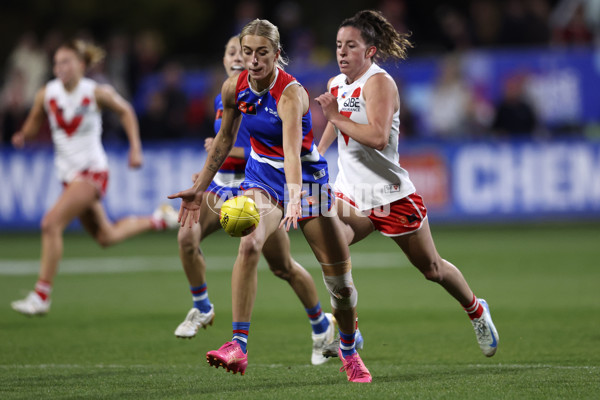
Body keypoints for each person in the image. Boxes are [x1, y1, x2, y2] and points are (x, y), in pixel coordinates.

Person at [169, 19, 371, 382]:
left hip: (307, 184)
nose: (254, 60)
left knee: (341, 287)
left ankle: (347, 347)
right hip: (263, 181)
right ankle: (238, 345)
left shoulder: (291, 93)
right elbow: (223, 140)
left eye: (262, 53)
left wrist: (295, 198)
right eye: (248, 52)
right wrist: (200, 187)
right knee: (249, 245)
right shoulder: (235, 88)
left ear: (277, 54)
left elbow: (292, 152)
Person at [315, 10, 499, 358]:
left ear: (370, 51)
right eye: (339, 45)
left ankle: (476, 309)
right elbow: (334, 123)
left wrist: (336, 117)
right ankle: (349, 334)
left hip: (390, 196)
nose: (341, 52)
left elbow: (379, 137)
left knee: (432, 269)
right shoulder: (335, 84)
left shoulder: (380, 83)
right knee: (331, 251)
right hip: (351, 193)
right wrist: (316, 150)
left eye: (351, 46)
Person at [10, 39, 179, 316]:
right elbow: (32, 124)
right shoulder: (47, 92)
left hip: (91, 173)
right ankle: (159, 219)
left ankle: (41, 296)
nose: (60, 67)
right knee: (105, 236)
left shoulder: (96, 92)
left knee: (50, 223)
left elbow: (125, 111)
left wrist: (135, 148)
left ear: (81, 65)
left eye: (66, 62)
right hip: (68, 176)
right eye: (56, 63)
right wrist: (21, 137)